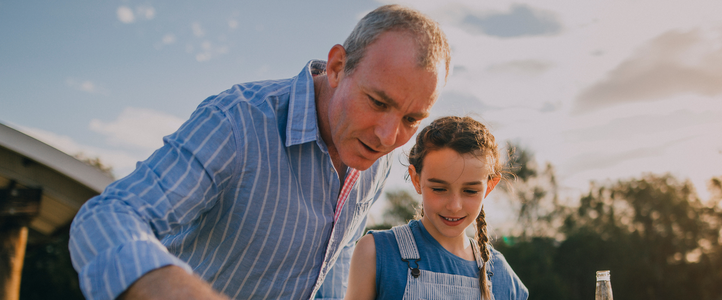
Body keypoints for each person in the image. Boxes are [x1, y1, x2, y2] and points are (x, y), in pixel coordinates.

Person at [68, 5, 450, 300]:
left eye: (412, 118)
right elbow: (107, 217)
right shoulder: (237, 121)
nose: (387, 136)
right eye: (378, 102)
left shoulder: (374, 156)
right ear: (337, 66)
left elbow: (339, 253)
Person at [343, 116, 529, 300]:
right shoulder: (376, 253)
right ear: (416, 180)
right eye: (439, 189)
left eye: (470, 191)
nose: (454, 206)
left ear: (489, 187)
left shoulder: (501, 275)